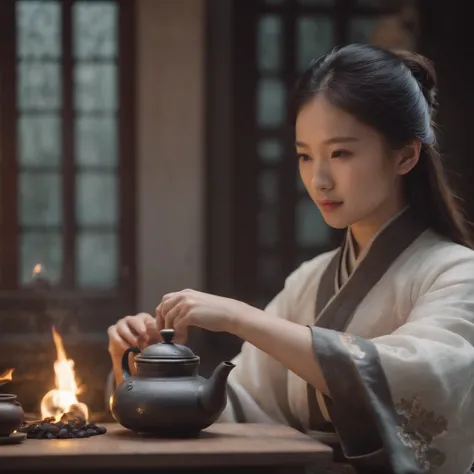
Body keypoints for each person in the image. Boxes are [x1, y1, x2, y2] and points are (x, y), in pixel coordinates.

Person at [107, 44, 474, 474]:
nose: (318, 179)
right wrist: (150, 371)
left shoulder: (456, 274)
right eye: (305, 155)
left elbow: (423, 382)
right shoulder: (308, 281)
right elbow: (234, 411)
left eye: (340, 153)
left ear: (406, 155)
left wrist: (240, 317)